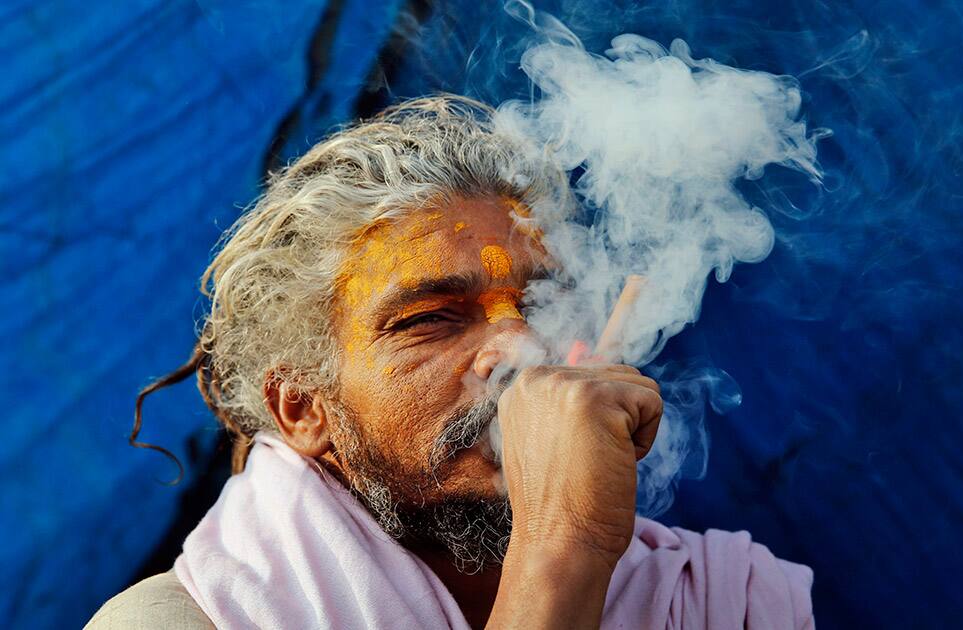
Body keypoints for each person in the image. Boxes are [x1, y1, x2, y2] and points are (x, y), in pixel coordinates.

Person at [88, 95, 814, 629]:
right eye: (431, 319)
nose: (521, 350)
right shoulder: (181, 621)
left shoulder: (720, 604)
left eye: (540, 306)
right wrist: (562, 548)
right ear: (304, 408)